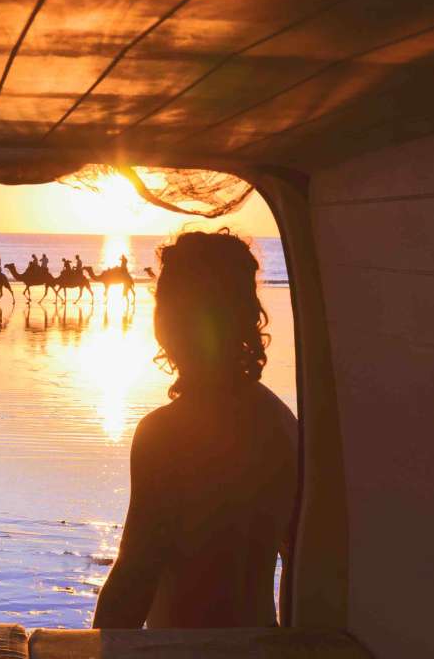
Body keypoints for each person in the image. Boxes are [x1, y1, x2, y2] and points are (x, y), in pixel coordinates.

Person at [93, 230, 297, 629]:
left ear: (169, 319)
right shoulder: (283, 424)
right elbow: (297, 563)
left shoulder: (165, 434)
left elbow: (134, 578)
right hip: (260, 658)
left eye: (162, 301)